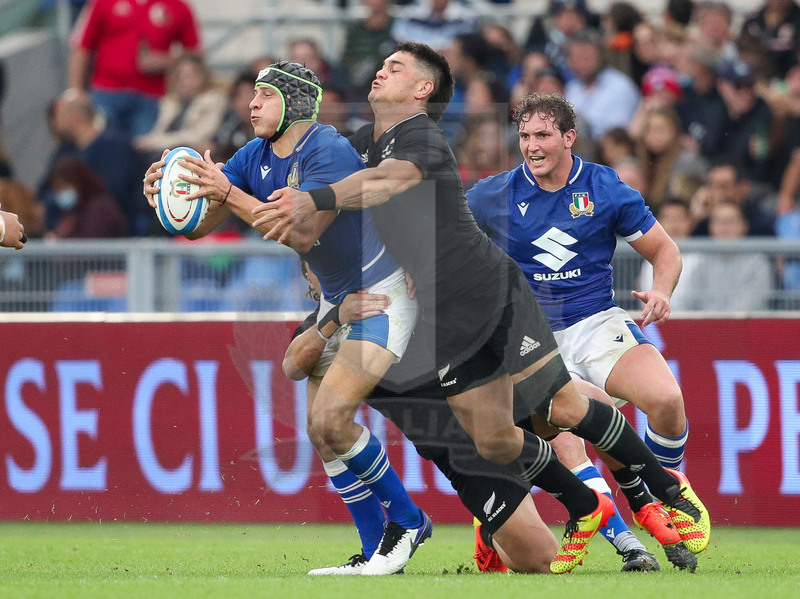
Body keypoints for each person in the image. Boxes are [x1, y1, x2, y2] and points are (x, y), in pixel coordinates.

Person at [252, 42, 711, 575]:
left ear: (422, 89)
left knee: (565, 409)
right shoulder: (365, 144)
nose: (380, 72)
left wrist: (317, 198)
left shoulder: (420, 136)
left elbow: (384, 183)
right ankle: (586, 506)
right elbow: (307, 165)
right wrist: (218, 185)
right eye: (379, 65)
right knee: (496, 440)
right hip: (446, 319)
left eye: (394, 68)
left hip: (487, 294)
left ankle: (662, 491)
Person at [142, 61, 431, 576]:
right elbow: (203, 224)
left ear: (295, 102)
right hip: (336, 301)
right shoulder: (255, 154)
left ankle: (408, 522)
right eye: (251, 95)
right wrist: (173, 201)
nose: (251, 104)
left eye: (263, 95)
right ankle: (372, 553)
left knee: (330, 419)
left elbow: (302, 235)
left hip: (381, 294)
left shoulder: (328, 148)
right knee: (320, 432)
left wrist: (226, 192)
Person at [287, 261, 656, 574]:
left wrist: (426, 269)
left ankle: (638, 518)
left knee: (582, 398)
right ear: (310, 280)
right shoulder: (325, 338)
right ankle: (490, 531)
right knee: (540, 562)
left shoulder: (403, 290)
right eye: (318, 267)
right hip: (463, 456)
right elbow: (294, 367)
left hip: (497, 405)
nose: (333, 271)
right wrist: (335, 318)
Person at [465, 91, 701, 569]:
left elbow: (665, 251)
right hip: (532, 340)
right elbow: (443, 238)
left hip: (597, 321)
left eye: (543, 135)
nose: (531, 145)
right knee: (574, 436)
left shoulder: (604, 187)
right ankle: (632, 538)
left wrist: (662, 292)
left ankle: (670, 488)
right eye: (525, 135)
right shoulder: (493, 194)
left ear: (569, 138)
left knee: (668, 401)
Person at [68, 0, 201, 139]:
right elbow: (82, 47)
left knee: (145, 151)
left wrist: (166, 61)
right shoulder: (103, 3)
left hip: (153, 97)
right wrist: (75, 89)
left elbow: (195, 55)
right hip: (106, 92)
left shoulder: (177, 6)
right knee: (102, 146)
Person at [132, 54, 226, 161]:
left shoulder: (213, 100)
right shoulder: (170, 101)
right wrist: (149, 142)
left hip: (190, 153)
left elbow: (197, 135)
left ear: (203, 76)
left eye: (190, 76)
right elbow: (159, 129)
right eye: (180, 77)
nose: (185, 82)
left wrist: (156, 143)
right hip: (160, 151)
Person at [46, 157, 128, 238]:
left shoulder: (100, 208)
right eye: (57, 189)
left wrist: (62, 241)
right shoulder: (73, 211)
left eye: (64, 186)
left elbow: (91, 242)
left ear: (80, 182)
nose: (60, 193)